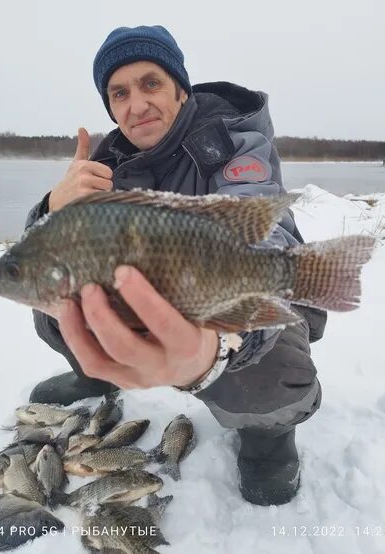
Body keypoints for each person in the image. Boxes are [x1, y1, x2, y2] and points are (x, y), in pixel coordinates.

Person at [25, 25, 326, 506]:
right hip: (156, 295)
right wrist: (51, 212)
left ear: (180, 89)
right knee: (55, 294)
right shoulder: (106, 168)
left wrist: (220, 344)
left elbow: (258, 230)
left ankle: (267, 436)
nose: (136, 104)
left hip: (247, 298)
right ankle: (100, 371)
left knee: (269, 363)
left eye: (151, 84)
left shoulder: (235, 145)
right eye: (119, 93)